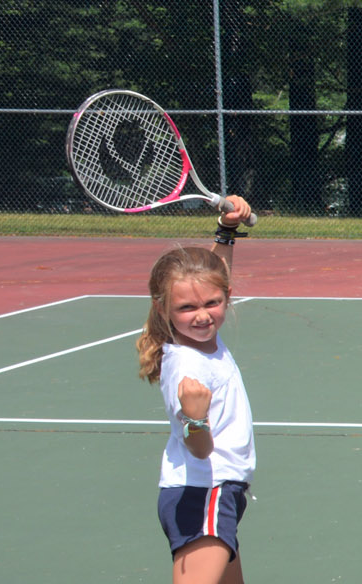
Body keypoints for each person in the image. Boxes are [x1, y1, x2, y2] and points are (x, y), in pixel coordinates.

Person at [141, 197, 256, 584]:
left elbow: (214, 271)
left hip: (218, 488)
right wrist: (193, 417)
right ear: (163, 310)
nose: (203, 314)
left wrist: (226, 231)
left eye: (213, 302)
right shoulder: (187, 368)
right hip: (203, 490)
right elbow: (200, 448)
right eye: (188, 308)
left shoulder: (198, 338)